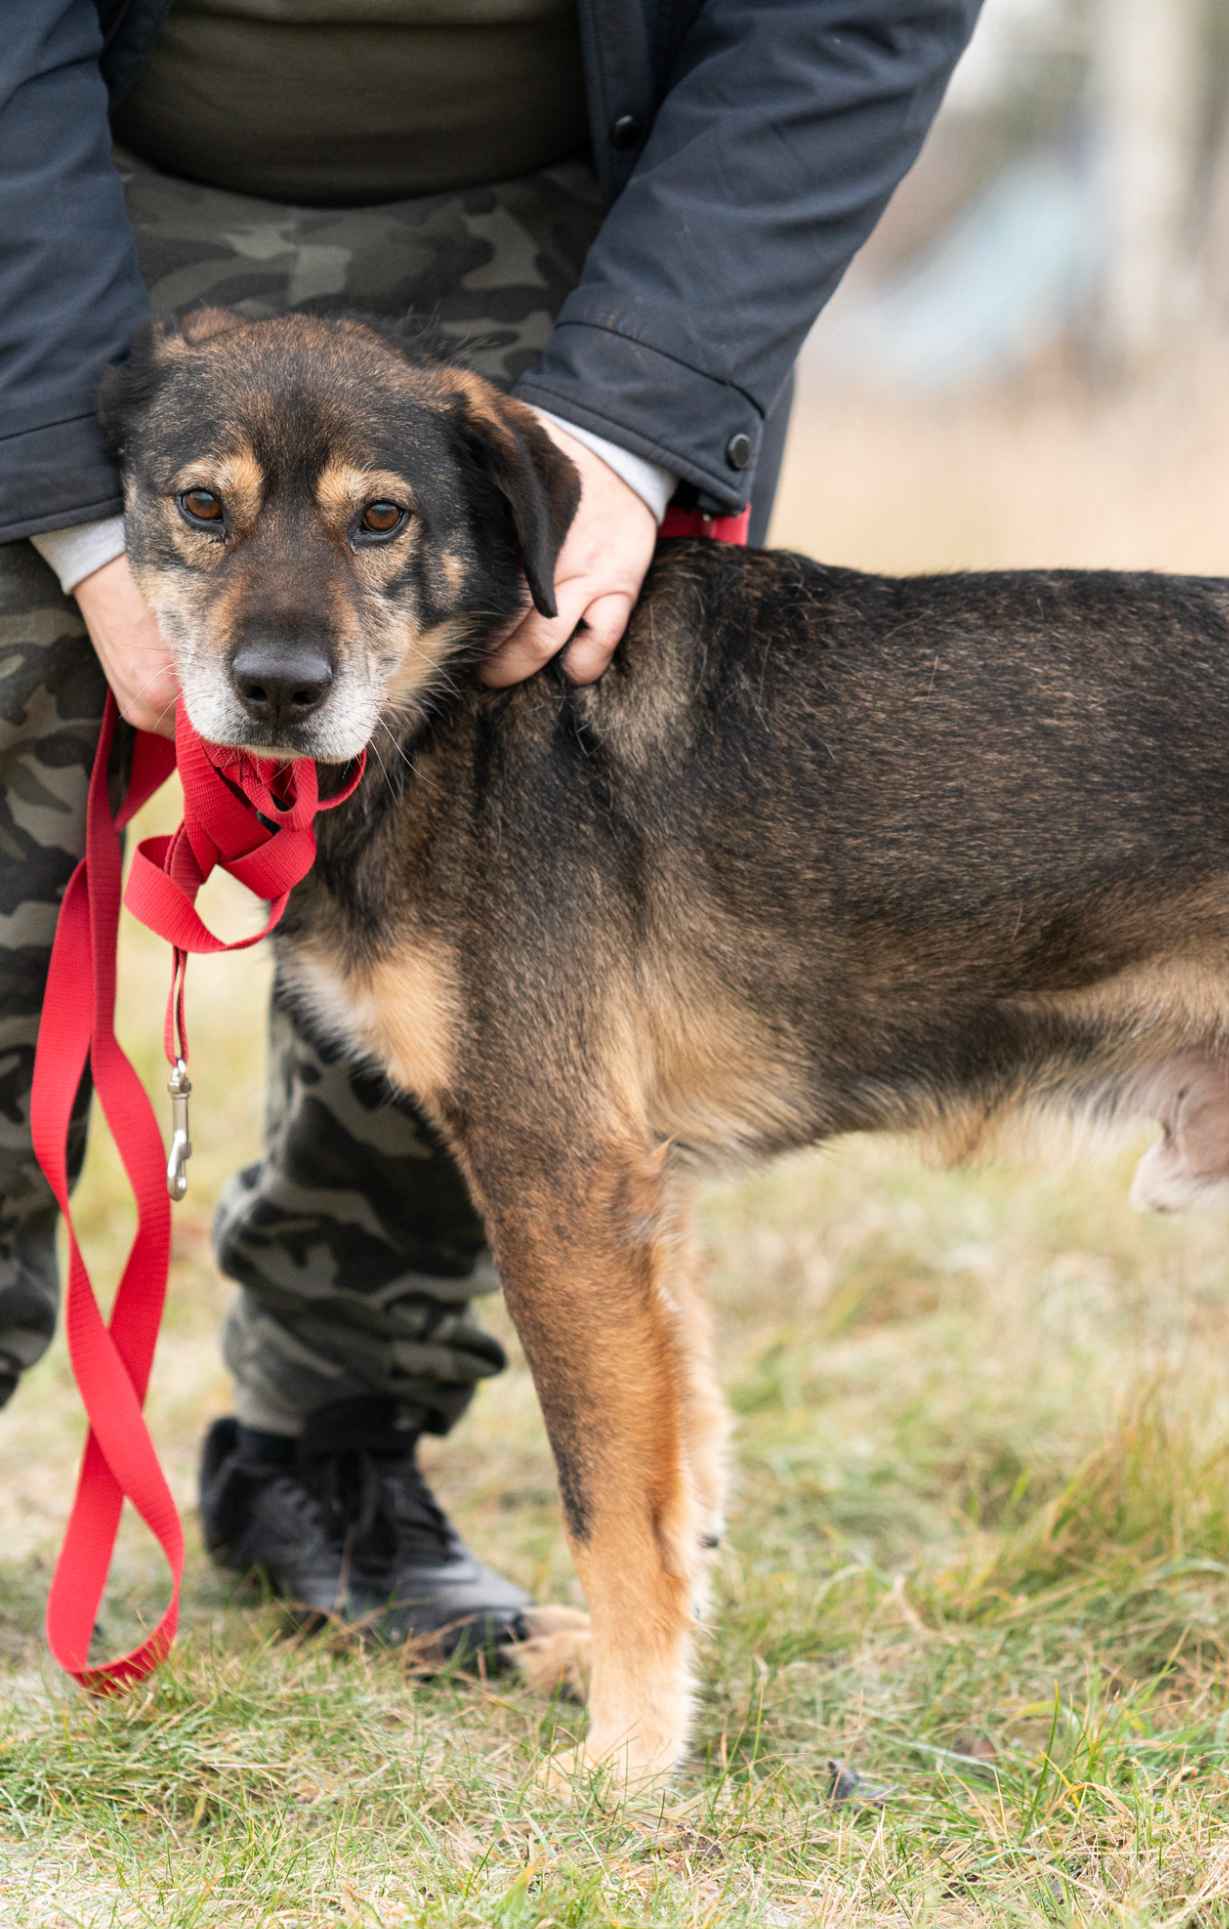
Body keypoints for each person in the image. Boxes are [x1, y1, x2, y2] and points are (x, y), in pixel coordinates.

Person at [0, 0, 980, 1656]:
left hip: (582, 234)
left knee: (524, 902)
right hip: (69, 194)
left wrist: (637, 408)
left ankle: (334, 1445)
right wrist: (78, 518)